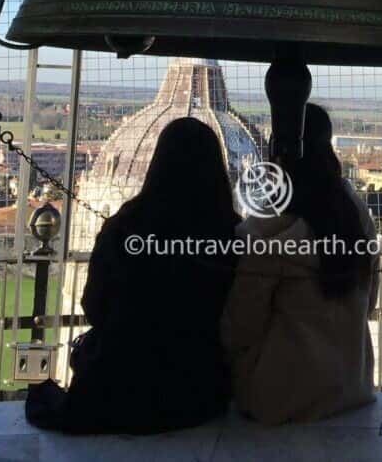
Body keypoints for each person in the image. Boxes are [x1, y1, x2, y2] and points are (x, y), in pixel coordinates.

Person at [26, 116, 240, 434]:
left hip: (122, 385)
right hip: (200, 393)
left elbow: (94, 305)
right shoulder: (231, 233)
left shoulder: (125, 226)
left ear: (158, 164)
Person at [222, 103, 380, 424]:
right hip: (350, 388)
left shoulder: (268, 229)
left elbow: (240, 329)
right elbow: (370, 303)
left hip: (281, 397)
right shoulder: (355, 215)